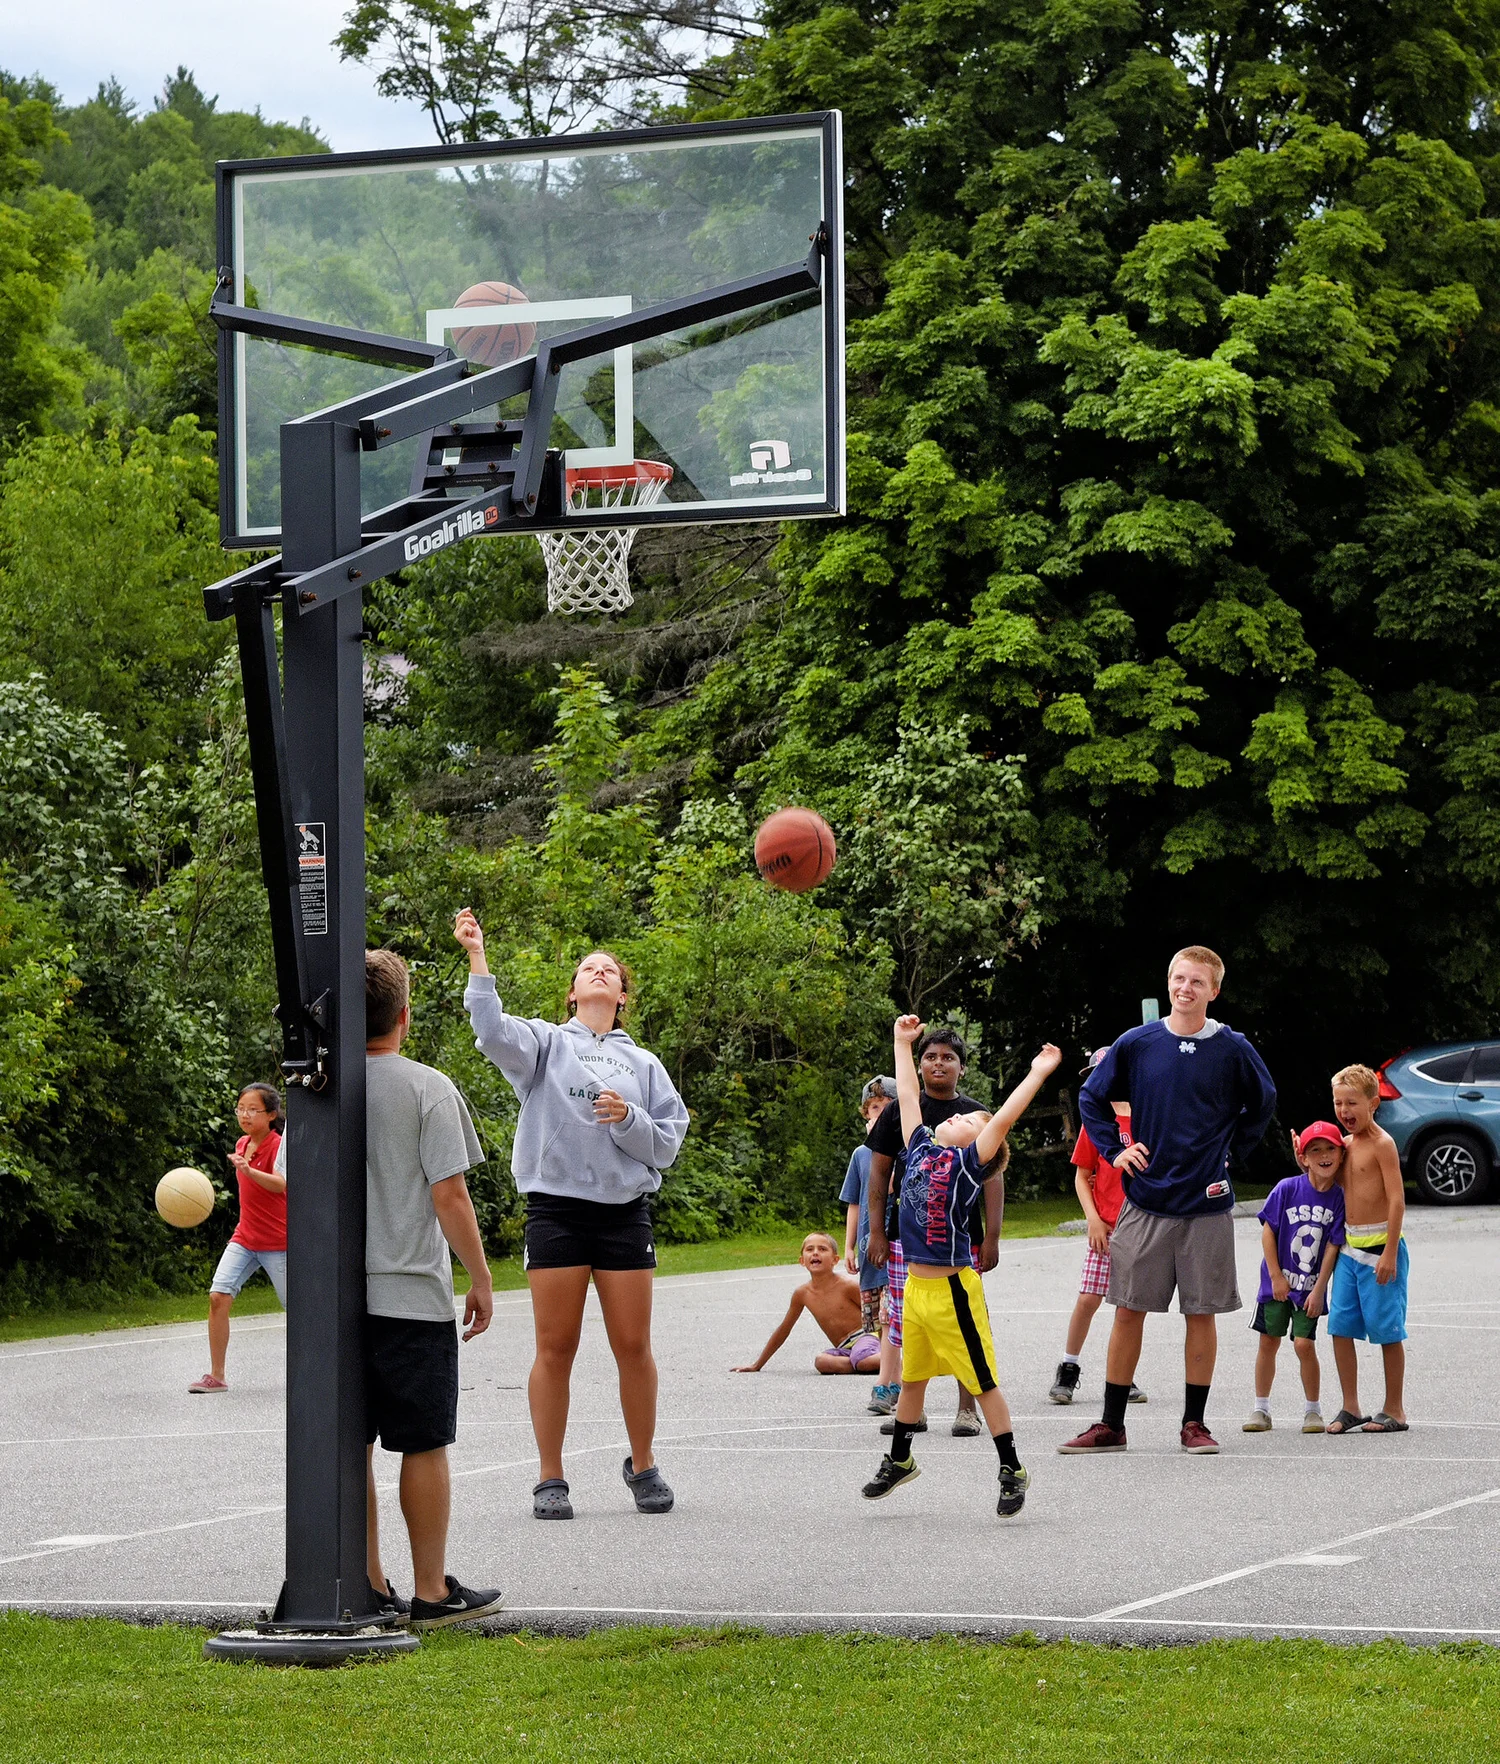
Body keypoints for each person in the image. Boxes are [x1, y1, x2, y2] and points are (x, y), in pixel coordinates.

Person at [455, 909, 691, 1520]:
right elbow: (489, 1029)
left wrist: (630, 1119)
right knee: (555, 1347)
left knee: (633, 1345)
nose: (599, 972)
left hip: (623, 1215)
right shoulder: (545, 1043)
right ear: (573, 991)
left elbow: (667, 1142)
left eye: (609, 971)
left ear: (621, 996)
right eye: (589, 968)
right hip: (556, 1210)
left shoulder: (643, 1066)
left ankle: (643, 1464)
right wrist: (478, 956)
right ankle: (550, 1477)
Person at [1061, 945, 1277, 1457]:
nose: (1185, 988)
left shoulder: (1233, 1048)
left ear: (1214, 990)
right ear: (1168, 983)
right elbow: (1092, 1097)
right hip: (1146, 1204)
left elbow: (1262, 1102)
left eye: (1197, 982)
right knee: (1127, 1311)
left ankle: (1194, 1425)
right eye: (1178, 979)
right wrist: (1115, 1150)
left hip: (1206, 1207)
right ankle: (1112, 1424)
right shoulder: (1137, 1042)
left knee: (1200, 1314)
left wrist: (1233, 1153)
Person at [862, 1016, 1062, 1513]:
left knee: (982, 1381)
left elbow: (1003, 1119)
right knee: (912, 1378)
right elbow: (907, 1096)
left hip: (955, 1292)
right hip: (917, 1290)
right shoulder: (923, 1147)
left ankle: (1012, 1467)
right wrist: (901, 1043)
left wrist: (1037, 1072)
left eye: (970, 1123)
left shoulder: (968, 1166)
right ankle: (901, 1460)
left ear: (980, 1143)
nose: (958, 1119)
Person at [362, 948, 504, 1630]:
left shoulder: (317, 1090)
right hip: (410, 1298)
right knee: (422, 1444)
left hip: (335, 1305)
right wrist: (479, 1276)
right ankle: (430, 1592)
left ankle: (365, 1582)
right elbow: (448, 1194)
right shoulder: (426, 1087)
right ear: (404, 1016)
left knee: (349, 1444)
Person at [866, 1028, 992, 1435]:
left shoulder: (974, 1116)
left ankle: (967, 1410)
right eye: (931, 1056)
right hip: (908, 1241)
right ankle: (911, 1409)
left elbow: (994, 1180)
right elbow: (880, 1172)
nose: (939, 1063)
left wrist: (992, 1236)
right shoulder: (904, 1112)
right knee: (906, 1322)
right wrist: (878, 1233)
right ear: (920, 1064)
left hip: (960, 1241)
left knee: (963, 1326)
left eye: (948, 1057)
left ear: (961, 1066)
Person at [1049, 1048, 1146, 1408]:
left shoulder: (1146, 1119)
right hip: (1105, 1228)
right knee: (1089, 1299)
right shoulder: (1097, 1123)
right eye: (1092, 1076)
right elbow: (1082, 1176)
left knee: (1128, 1307)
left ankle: (1122, 1372)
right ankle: (1068, 1368)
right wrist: (1092, 1218)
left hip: (1139, 1228)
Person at [1243, 1122, 1345, 1434]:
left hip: (1309, 1289)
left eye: (1330, 1149)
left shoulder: (1340, 1197)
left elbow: (1332, 1245)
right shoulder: (1287, 1188)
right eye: (1315, 1150)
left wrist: (1319, 1288)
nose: (1323, 1156)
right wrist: (1275, 1276)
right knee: (1268, 1342)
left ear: (1341, 1154)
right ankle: (1261, 1409)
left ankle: (1312, 1410)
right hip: (1278, 1285)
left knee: (1304, 1344)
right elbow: (1268, 1233)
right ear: (1303, 1156)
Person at [1326, 1064, 1409, 1434]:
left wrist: (1390, 1251)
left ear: (1373, 1103)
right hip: (1349, 1249)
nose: (1345, 1111)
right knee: (1340, 1328)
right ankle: (1350, 1406)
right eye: (1338, 1103)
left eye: (1352, 1103)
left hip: (1380, 1249)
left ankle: (1395, 1408)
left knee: (1387, 1330)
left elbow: (1397, 1200)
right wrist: (1306, 1160)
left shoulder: (1382, 1144)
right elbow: (1325, 1182)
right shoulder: (1343, 1146)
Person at [189, 1084, 286, 1395]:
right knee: (218, 1297)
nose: (245, 1115)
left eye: (252, 1109)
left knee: (301, 1311)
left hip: (279, 1243)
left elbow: (281, 1186)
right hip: (245, 1238)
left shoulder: (279, 1146)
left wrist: (249, 1170)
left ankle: (321, 1374)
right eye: (240, 1108)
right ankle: (216, 1376)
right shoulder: (242, 1143)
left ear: (271, 1115)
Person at [731, 1232, 879, 1373]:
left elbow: (877, 1313)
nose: (815, 1253)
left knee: (862, 1358)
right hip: (844, 1348)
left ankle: (888, 1360)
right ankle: (864, 1364)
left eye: (822, 1249)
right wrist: (757, 1364)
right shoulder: (802, 1294)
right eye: (810, 1249)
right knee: (822, 1361)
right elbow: (784, 1329)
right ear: (802, 1261)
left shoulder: (847, 1286)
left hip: (866, 1337)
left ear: (835, 1260)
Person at [842, 1077, 895, 1404]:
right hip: (868, 1254)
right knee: (878, 1323)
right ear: (866, 1114)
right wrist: (848, 1245)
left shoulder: (901, 1150)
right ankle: (894, 1380)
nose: (880, 1115)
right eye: (875, 1109)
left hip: (896, 1251)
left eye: (888, 1109)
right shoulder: (861, 1154)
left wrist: (884, 1146)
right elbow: (855, 1202)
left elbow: (890, 1188)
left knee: (892, 1319)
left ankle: (889, 1384)